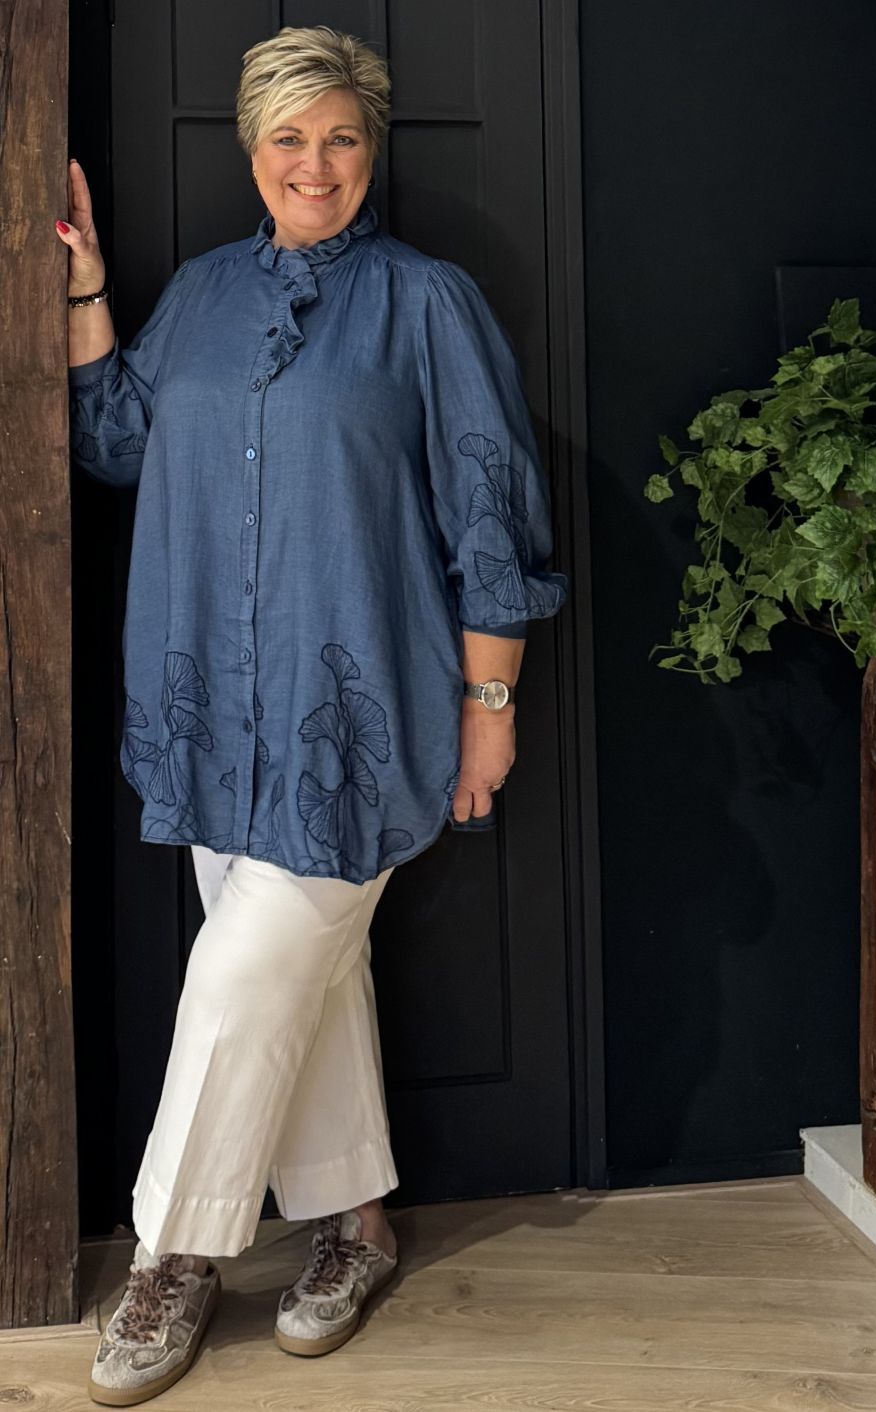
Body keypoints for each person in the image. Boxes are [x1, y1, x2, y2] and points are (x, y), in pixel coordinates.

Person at [61, 23, 567, 1407]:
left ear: (371, 148)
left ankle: (172, 1255)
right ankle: (357, 1224)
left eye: (341, 137)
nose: (316, 164)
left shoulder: (427, 303)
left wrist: (489, 704)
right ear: (250, 150)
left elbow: (488, 513)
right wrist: (90, 290)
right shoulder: (206, 294)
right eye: (289, 137)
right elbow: (115, 441)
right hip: (210, 711)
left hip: (362, 713)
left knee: (238, 981)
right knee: (304, 980)